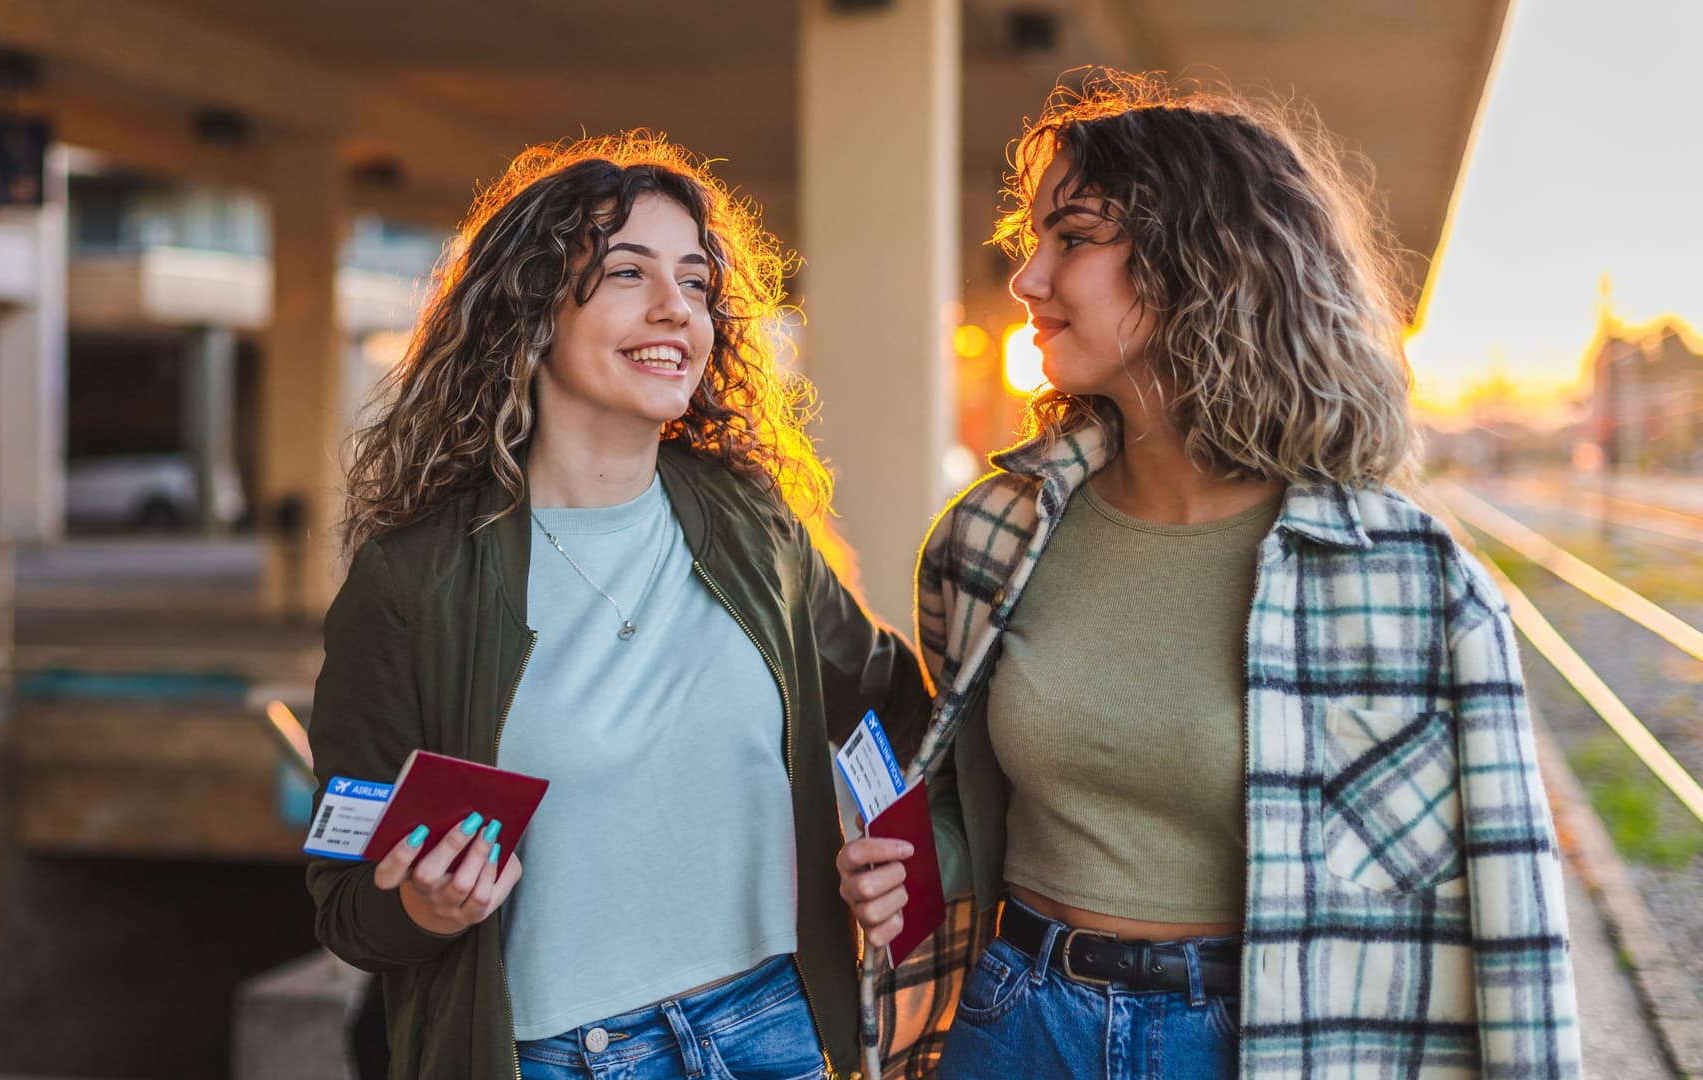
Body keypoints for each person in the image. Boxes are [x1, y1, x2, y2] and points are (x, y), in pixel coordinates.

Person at [837, 72, 1581, 1078]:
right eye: (1033, 241)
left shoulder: (1410, 584)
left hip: (1266, 1045)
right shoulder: (988, 541)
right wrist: (907, 869)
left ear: (1202, 261)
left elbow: (1512, 924)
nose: (1027, 278)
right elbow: (975, 808)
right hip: (1014, 1022)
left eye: (1074, 237)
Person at [306, 132, 930, 1080]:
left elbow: (895, 702)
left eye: (694, 281)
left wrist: (902, 861)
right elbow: (345, 896)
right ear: (531, 310)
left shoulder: (752, 525)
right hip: (552, 1058)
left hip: (777, 1032)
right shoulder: (413, 583)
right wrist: (421, 909)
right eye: (628, 272)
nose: (675, 308)